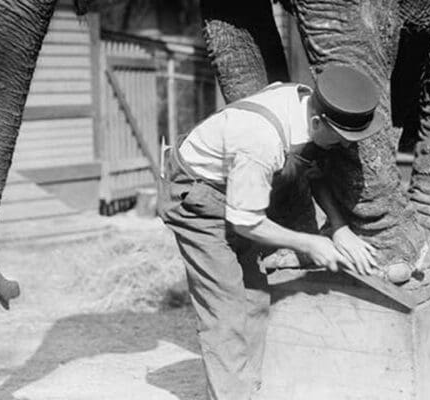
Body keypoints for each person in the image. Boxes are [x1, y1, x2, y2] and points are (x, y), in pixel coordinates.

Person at [158, 65, 384, 400]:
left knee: (255, 300)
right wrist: (310, 241)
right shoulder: (259, 141)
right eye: (340, 137)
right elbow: (246, 222)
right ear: (318, 123)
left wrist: (338, 227)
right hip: (197, 201)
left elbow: (313, 166)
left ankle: (244, 389)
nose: (342, 146)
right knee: (226, 311)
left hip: (234, 192)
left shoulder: (306, 104)